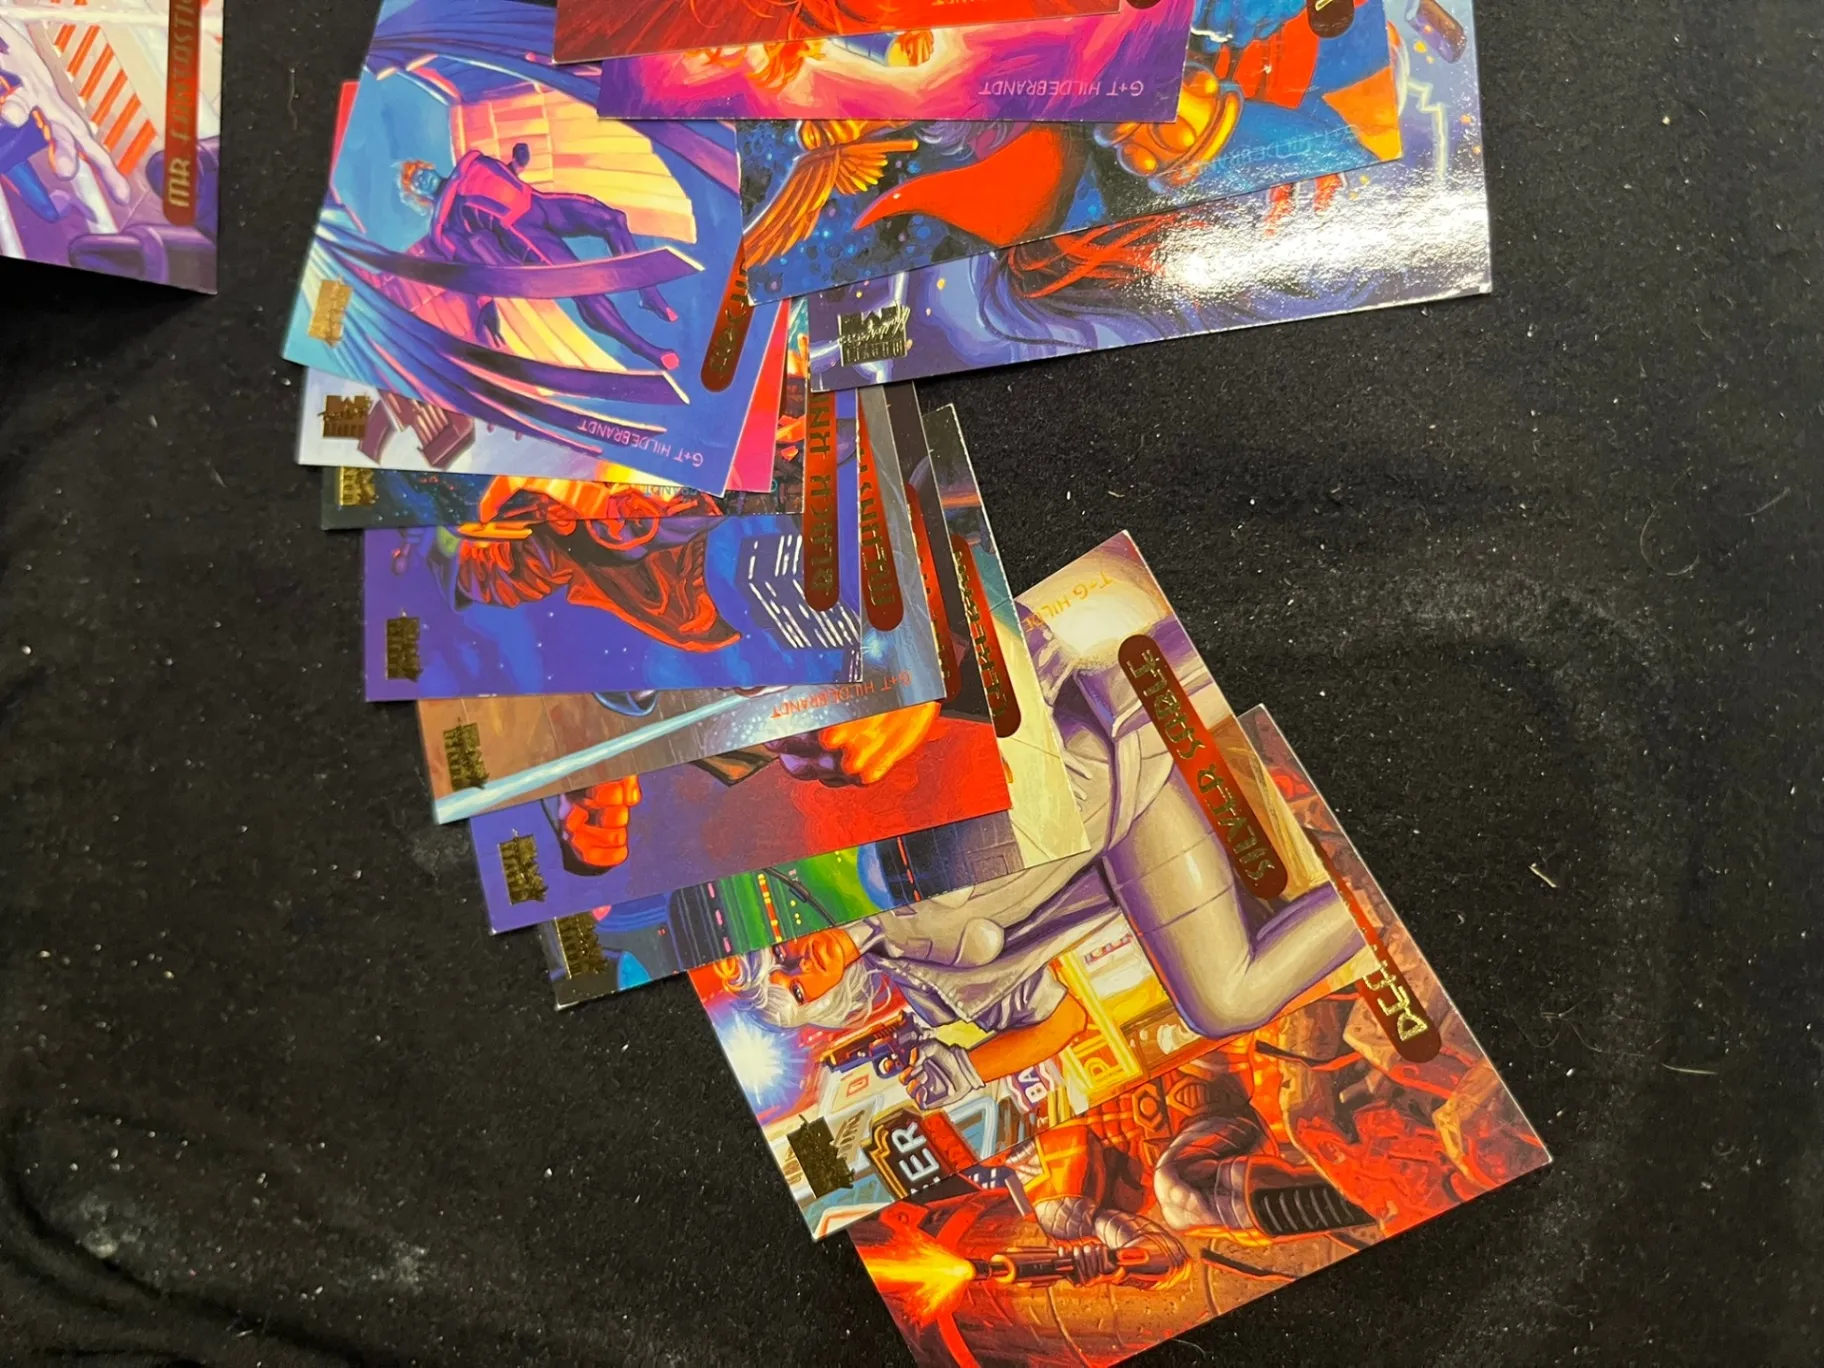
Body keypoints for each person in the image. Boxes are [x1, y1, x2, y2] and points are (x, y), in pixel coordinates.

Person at [400, 142, 682, 370]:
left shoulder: (471, 162)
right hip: (523, 235)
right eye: (415, 182)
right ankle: (647, 350)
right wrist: (485, 303)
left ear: (428, 165)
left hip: (540, 204)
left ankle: (648, 293)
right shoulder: (444, 225)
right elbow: (469, 265)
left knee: (613, 220)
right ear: (417, 196)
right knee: (584, 288)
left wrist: (517, 163)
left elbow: (501, 180)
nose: (421, 178)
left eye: (419, 171)